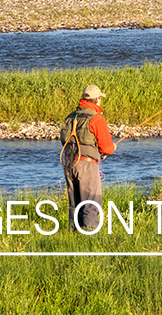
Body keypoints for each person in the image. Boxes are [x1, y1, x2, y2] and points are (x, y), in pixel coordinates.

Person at [60, 84, 116, 233]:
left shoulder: (71, 117)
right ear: (97, 99)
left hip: (69, 163)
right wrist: (111, 148)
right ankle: (90, 239)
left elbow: (64, 140)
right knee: (91, 203)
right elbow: (107, 148)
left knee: (75, 203)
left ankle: (75, 236)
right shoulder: (96, 118)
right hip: (86, 166)